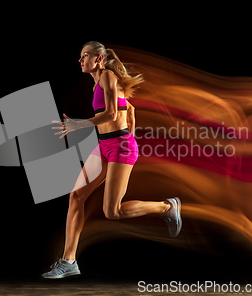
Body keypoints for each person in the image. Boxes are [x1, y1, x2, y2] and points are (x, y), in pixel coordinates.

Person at [43, 41, 182, 279]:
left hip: (120, 147)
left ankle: (167, 207)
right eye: (80, 56)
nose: (80, 60)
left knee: (112, 211)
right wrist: (131, 133)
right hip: (105, 146)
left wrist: (81, 124)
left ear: (98, 59)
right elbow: (130, 109)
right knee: (76, 196)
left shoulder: (107, 75)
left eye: (84, 56)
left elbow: (111, 114)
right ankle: (69, 261)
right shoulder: (99, 82)